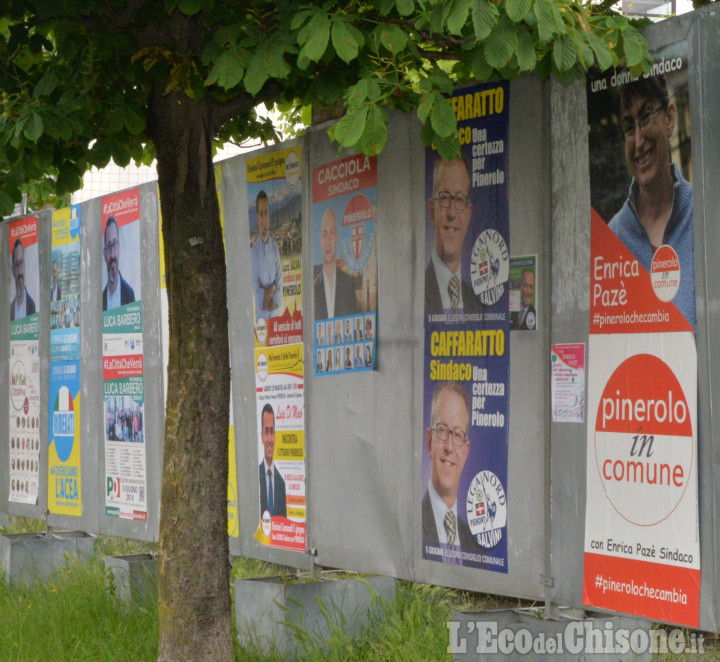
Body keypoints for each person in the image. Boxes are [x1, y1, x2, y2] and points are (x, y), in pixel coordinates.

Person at [609, 74, 695, 328]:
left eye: (645, 117)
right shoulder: (613, 236)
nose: (638, 141)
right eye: (628, 127)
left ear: (669, 118)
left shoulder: (705, 216)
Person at [422, 381, 482, 555]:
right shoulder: (410, 527)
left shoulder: (475, 548)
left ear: (466, 451)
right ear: (429, 440)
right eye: (442, 430)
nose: (449, 447)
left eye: (457, 434)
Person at [425, 156, 482, 316]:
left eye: (459, 199)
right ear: (431, 210)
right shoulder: (417, 293)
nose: (451, 212)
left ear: (468, 214)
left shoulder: (476, 304)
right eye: (444, 197)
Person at [314, 208, 357, 319]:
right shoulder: (313, 289)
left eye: (332, 233)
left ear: (337, 238)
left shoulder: (348, 283)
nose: (328, 241)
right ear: (320, 240)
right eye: (324, 234)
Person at [250, 190, 282, 321]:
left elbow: (279, 281)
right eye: (261, 213)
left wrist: (271, 292)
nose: (264, 218)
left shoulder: (275, 248)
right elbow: (256, 291)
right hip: (261, 320)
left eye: (266, 212)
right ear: (258, 217)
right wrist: (272, 288)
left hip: (276, 315)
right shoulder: (253, 252)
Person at [258, 403, 286, 518]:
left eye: (272, 432)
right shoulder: (256, 478)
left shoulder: (281, 482)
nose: (269, 439)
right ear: (261, 436)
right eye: (266, 431)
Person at [102, 216, 135, 311]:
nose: (112, 254)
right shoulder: (101, 299)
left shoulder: (129, 294)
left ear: (119, 248)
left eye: (115, 244)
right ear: (104, 254)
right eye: (109, 246)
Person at [10, 239, 36, 320]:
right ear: (13, 270)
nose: (20, 272)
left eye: (21, 263)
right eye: (17, 264)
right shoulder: (10, 309)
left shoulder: (32, 305)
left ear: (24, 266)